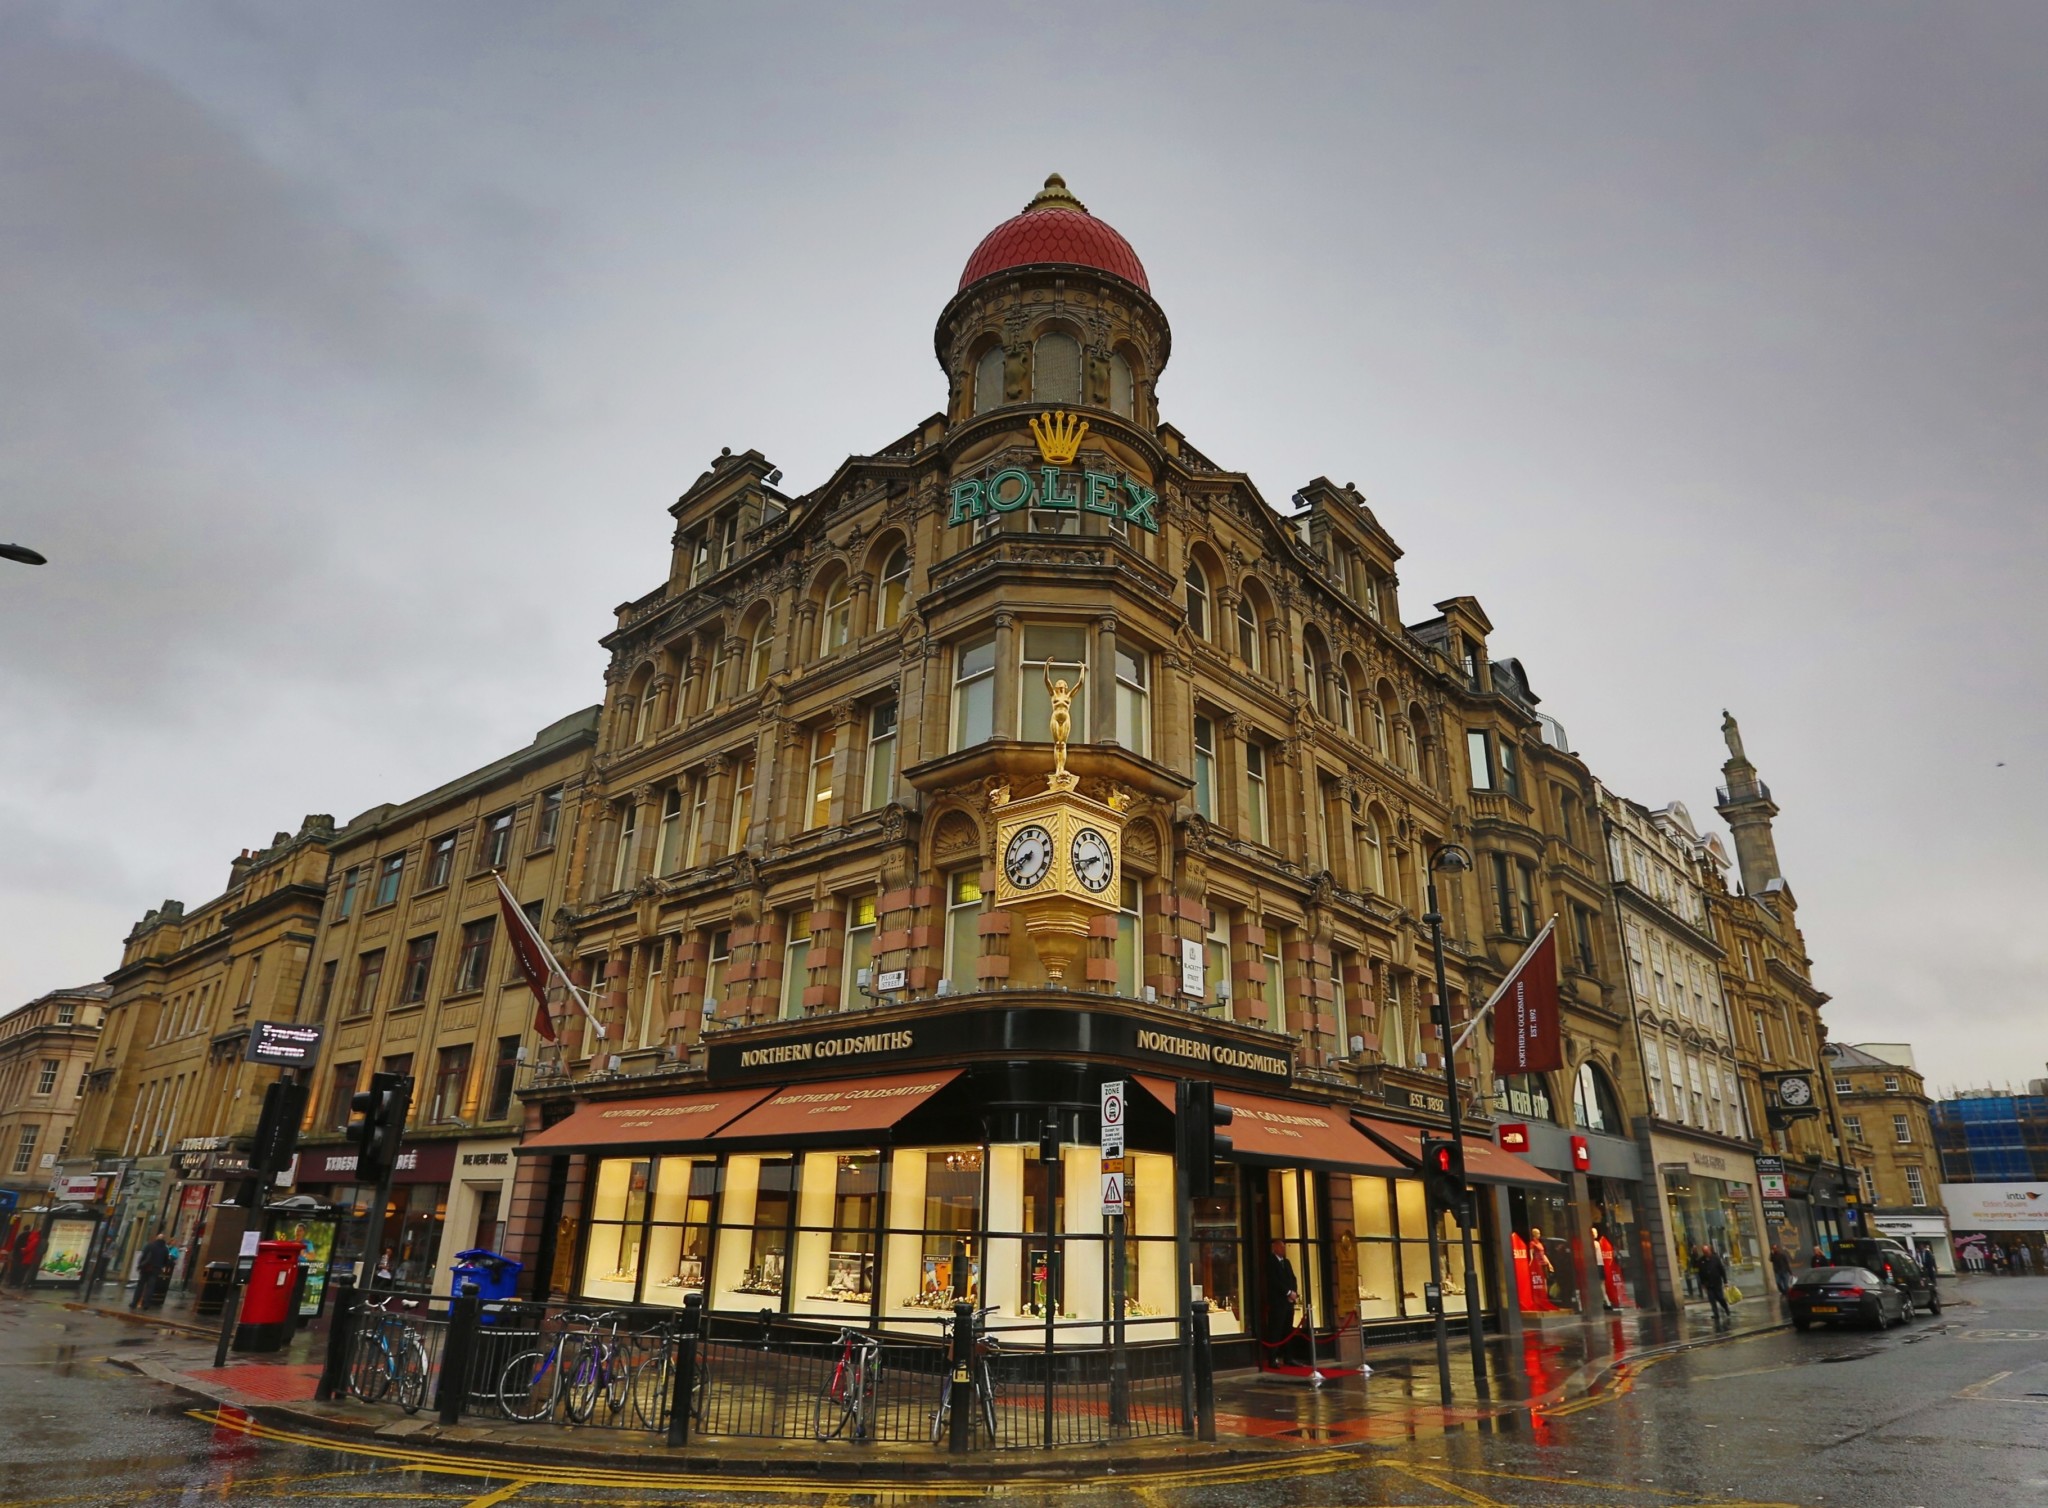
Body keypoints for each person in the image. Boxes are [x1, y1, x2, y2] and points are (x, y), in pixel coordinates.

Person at [1260, 1239, 1301, 1367]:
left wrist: (1293, 1293)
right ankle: (1273, 1358)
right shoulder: (1271, 1262)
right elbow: (1274, 1281)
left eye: (1284, 1247)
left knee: (1288, 1330)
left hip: (1288, 1303)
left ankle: (1288, 1357)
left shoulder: (1287, 1262)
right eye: (1281, 1247)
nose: (1284, 1250)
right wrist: (1288, 1292)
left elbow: (1293, 1278)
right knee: (1276, 1330)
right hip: (1278, 1303)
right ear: (1275, 1248)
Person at [132, 1231, 172, 1311]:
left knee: (140, 1285)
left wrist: (140, 1265)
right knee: (150, 1287)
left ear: (157, 1238)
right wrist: (161, 1266)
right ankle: (146, 1304)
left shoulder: (150, 1245)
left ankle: (134, 1302)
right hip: (156, 1269)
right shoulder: (165, 1249)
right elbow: (166, 1261)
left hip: (146, 1268)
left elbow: (143, 1256)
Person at [1695, 1243, 1732, 1329]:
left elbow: (1722, 1270)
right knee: (1712, 1300)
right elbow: (1700, 1273)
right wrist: (1702, 1284)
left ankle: (1726, 1308)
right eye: (1704, 1251)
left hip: (1717, 1283)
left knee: (1720, 1298)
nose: (1706, 1253)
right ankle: (1716, 1314)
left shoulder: (1716, 1259)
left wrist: (1725, 1281)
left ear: (1710, 1250)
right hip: (1708, 1284)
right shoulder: (1701, 1261)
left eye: (1707, 1251)